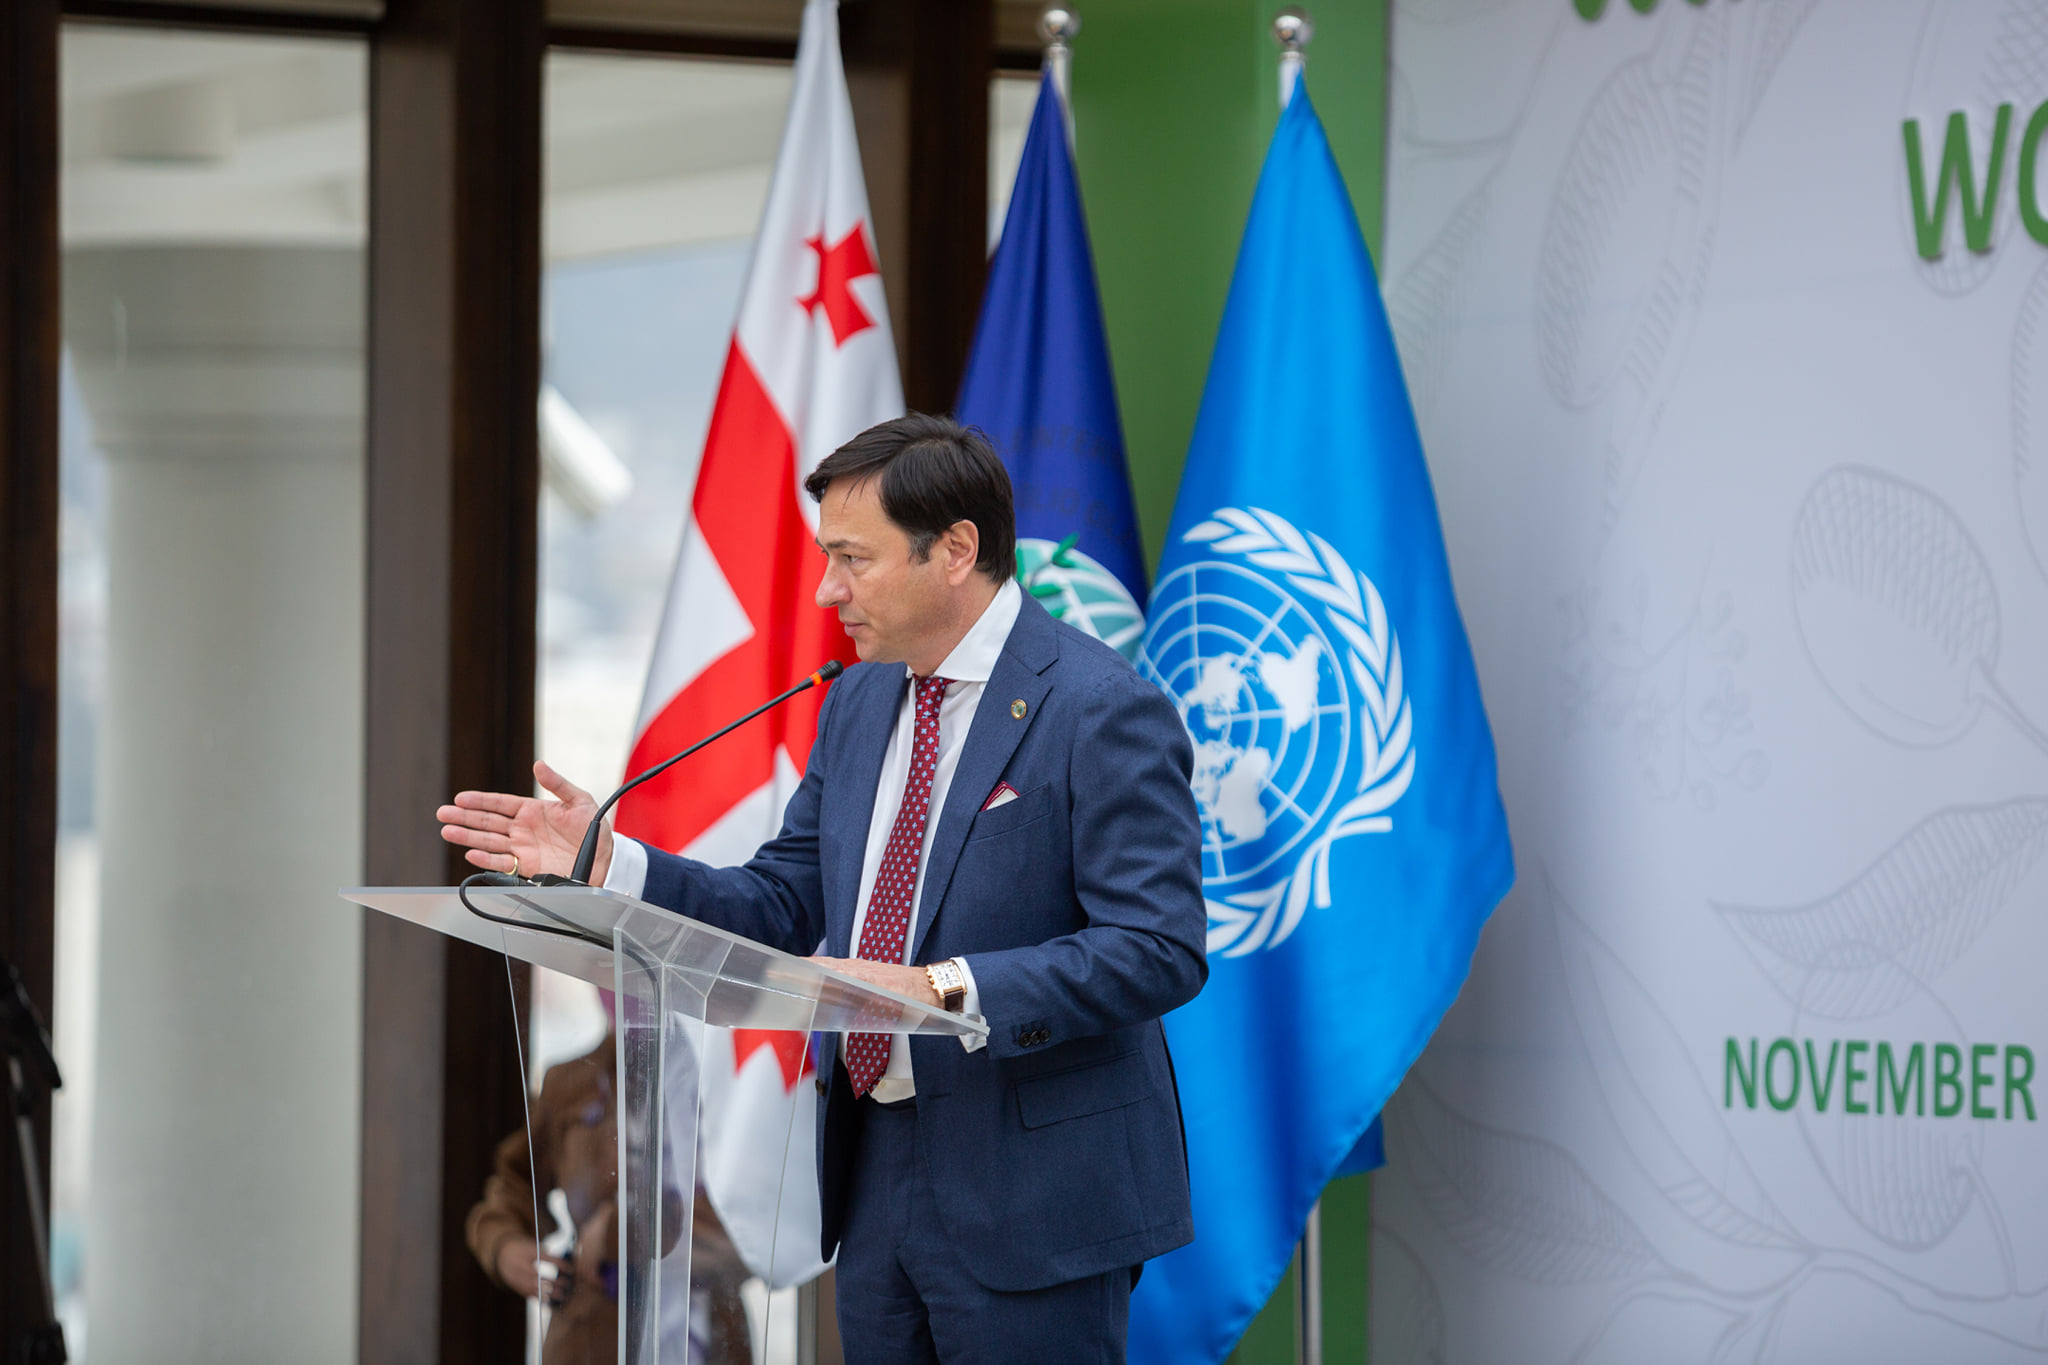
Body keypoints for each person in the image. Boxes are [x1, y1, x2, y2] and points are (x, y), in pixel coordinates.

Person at [440, 412, 1207, 1363]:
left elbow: (1158, 947)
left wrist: (941, 989)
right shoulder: (859, 699)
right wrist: (608, 863)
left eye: (853, 558)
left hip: (1036, 1194)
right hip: (874, 1173)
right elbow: (780, 901)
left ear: (955, 550)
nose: (826, 588)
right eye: (825, 557)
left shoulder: (1098, 705)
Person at [466, 1028, 752, 1365]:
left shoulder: (729, 1083)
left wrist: (623, 1228)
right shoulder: (573, 1083)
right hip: (593, 1332)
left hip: (707, 1325)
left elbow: (753, 1225)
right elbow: (515, 1183)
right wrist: (504, 1243)